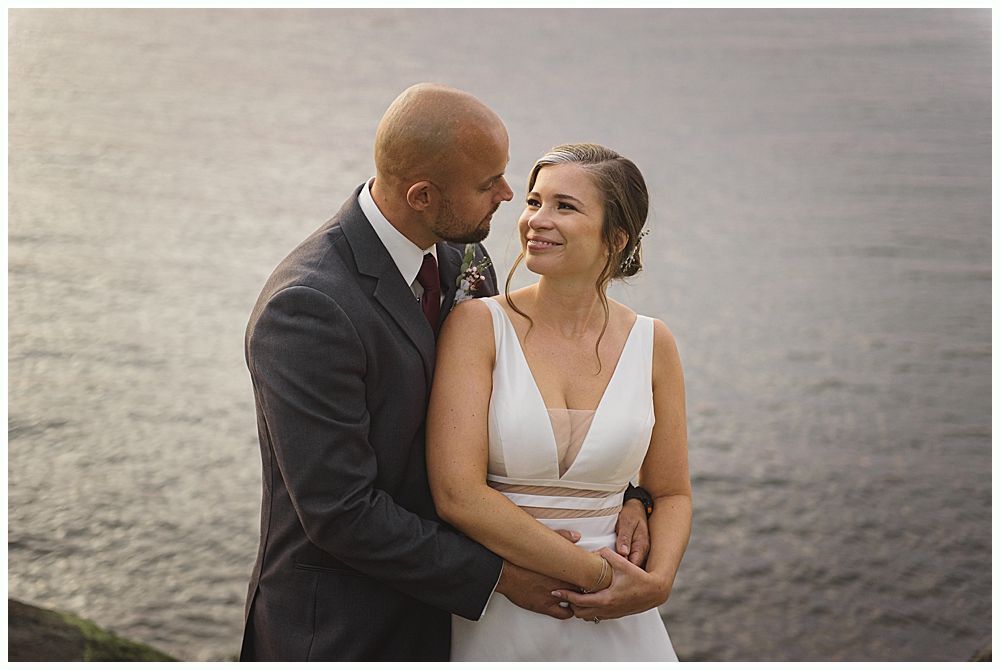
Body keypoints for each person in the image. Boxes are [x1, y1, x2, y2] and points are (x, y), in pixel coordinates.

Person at [240, 85, 653, 661]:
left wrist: (623, 494)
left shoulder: (461, 257)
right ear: (423, 195)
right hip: (350, 628)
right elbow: (341, 510)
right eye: (489, 185)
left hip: (459, 623)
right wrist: (499, 577)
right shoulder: (309, 307)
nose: (510, 198)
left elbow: (524, 396)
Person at [427, 143, 692, 661]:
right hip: (506, 610)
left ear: (615, 238)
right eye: (533, 201)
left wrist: (656, 584)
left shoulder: (653, 342)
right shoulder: (479, 326)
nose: (534, 221)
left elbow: (673, 491)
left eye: (564, 207)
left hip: (623, 619)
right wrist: (595, 574)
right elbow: (458, 494)